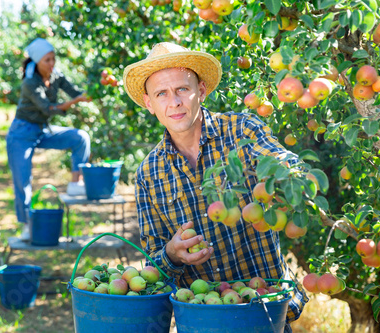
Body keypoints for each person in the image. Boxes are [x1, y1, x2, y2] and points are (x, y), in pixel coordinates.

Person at [123, 42, 308, 330]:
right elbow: (153, 266)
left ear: (202, 90)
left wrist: (292, 175)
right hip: (204, 319)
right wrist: (172, 254)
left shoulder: (241, 131)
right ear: (149, 103)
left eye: (182, 89)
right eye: (162, 93)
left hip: (263, 312)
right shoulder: (149, 173)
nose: (174, 102)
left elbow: (281, 161)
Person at [6, 38, 91, 240]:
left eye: (53, 59)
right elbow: (48, 108)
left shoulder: (56, 76)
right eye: (47, 60)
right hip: (22, 133)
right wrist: (74, 101)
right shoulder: (30, 83)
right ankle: (27, 225)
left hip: (43, 129)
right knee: (23, 180)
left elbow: (76, 92)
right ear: (37, 62)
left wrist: (95, 89)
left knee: (81, 137)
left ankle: (75, 183)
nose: (52, 64)